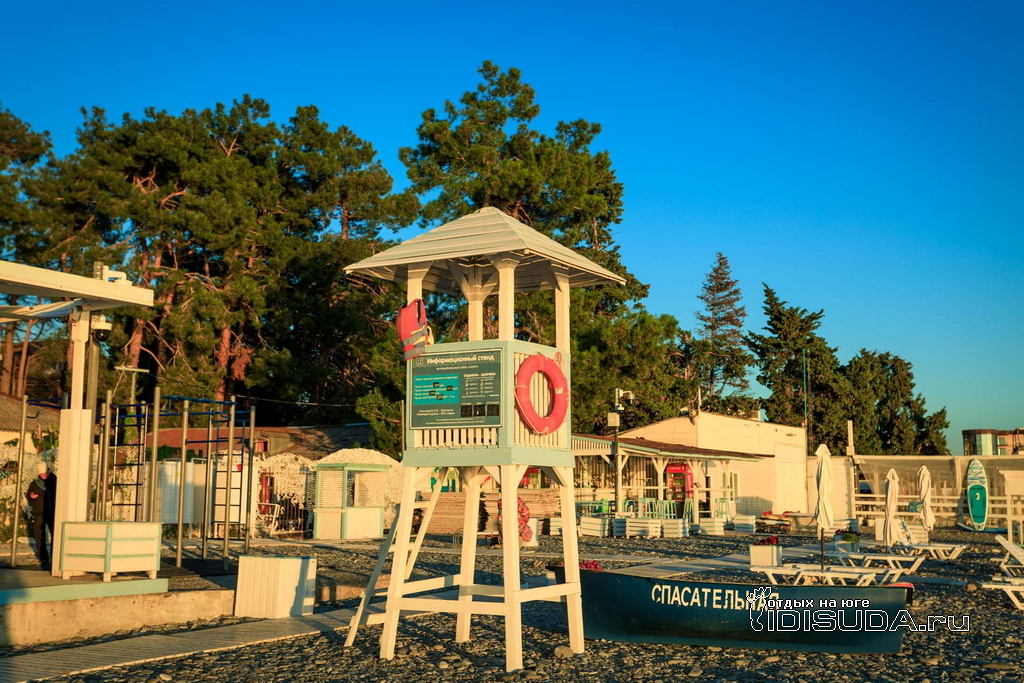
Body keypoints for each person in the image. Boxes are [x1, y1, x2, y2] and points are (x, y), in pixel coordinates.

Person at [26, 462, 57, 569]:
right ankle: (43, 557)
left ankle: (54, 556)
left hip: (52, 512)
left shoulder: (55, 481)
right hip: (38, 512)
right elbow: (28, 495)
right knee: (39, 536)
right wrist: (31, 496)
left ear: (48, 471)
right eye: (41, 474)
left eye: (44, 473)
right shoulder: (35, 483)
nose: (43, 475)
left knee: (55, 535)